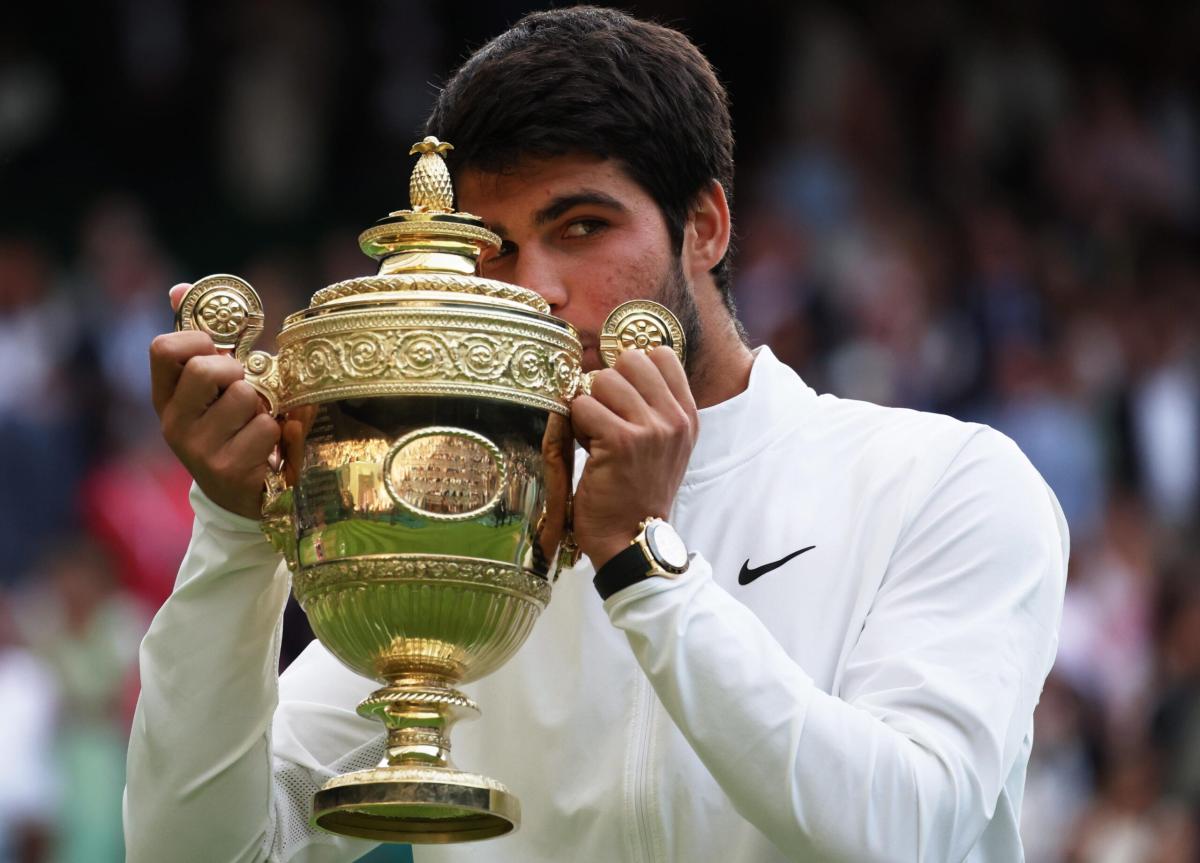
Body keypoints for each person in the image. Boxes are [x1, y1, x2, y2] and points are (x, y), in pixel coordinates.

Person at [127, 7, 1068, 862]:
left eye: (580, 225)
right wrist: (236, 533)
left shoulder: (947, 482)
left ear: (704, 227)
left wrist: (640, 568)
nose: (531, 288)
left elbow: (909, 829)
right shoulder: (469, 526)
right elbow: (205, 852)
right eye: (490, 248)